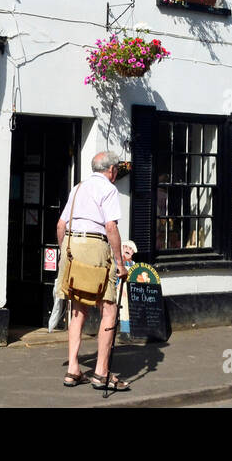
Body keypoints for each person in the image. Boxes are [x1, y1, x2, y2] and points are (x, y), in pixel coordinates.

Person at [55, 150, 130, 392]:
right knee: (108, 308)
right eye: (117, 170)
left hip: (71, 246)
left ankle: (73, 369)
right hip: (96, 246)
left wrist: (65, 251)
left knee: (77, 307)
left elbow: (61, 225)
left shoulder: (77, 188)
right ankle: (101, 372)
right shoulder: (108, 189)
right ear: (112, 171)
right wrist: (120, 263)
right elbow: (111, 227)